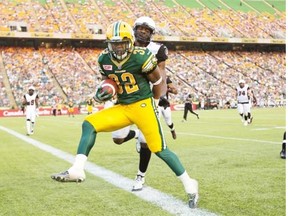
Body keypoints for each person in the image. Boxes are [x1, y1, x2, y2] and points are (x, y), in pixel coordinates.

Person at [51, 21, 198, 208]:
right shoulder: (104, 59)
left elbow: (158, 81)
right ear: (109, 44)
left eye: (122, 43)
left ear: (130, 41)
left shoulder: (142, 56)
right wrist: (102, 92)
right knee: (89, 124)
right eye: (115, 43)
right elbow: (108, 82)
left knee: (159, 149)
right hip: (123, 106)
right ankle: (77, 169)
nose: (118, 47)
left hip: (143, 106)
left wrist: (154, 101)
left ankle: (189, 184)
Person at [109, 16, 176, 191]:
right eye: (141, 28)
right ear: (134, 29)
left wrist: (161, 92)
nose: (143, 32)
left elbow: (160, 72)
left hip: (147, 98)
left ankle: (140, 176)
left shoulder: (158, 49)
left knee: (147, 141)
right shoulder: (125, 45)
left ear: (151, 33)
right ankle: (134, 137)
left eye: (147, 30)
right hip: (127, 98)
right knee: (117, 138)